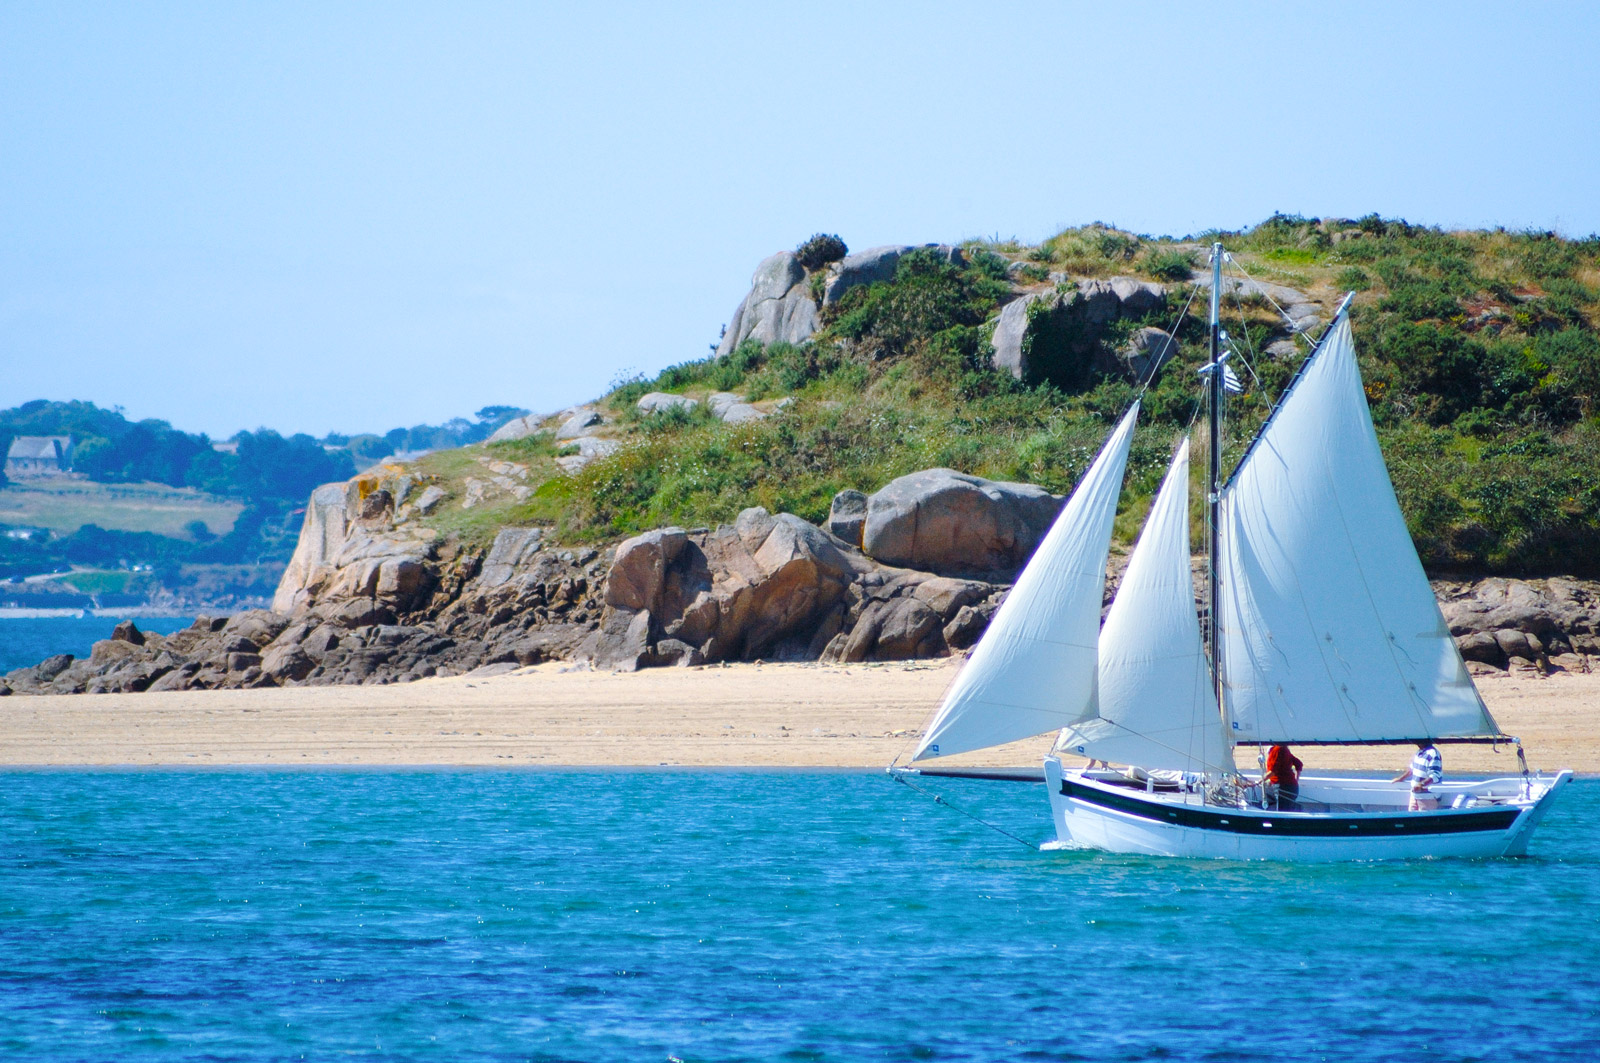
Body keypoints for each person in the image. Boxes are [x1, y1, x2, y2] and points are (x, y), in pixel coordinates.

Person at [1393, 740, 1443, 810]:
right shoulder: (1419, 752)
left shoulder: (1433, 753)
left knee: (1424, 820)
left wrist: (1421, 784)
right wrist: (1400, 779)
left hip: (1428, 797)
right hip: (1415, 794)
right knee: (1412, 819)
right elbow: (1412, 769)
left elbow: (1435, 775)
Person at [1264, 744, 1303, 810]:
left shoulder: (1277, 750)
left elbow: (1273, 771)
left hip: (1283, 787)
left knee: (1282, 812)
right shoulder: (1285, 750)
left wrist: (1261, 780)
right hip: (1292, 787)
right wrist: (1296, 779)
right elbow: (1298, 764)